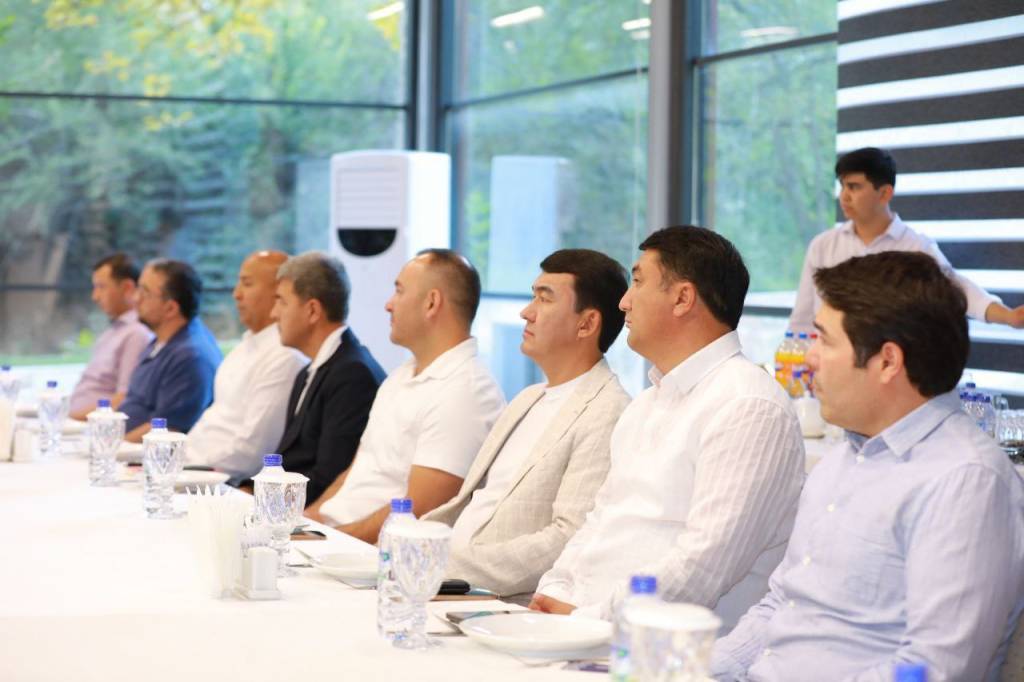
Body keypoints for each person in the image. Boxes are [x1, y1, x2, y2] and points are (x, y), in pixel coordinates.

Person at [712, 251, 1024, 681]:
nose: (808, 358)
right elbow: (780, 607)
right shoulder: (841, 460)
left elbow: (934, 669)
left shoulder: (966, 481)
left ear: (888, 361)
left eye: (824, 341)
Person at [529, 226, 805, 631]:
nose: (623, 302)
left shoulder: (749, 405)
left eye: (638, 282)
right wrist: (553, 591)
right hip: (582, 629)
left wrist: (587, 620)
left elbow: (704, 565)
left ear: (682, 298)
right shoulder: (645, 405)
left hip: (665, 650)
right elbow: (599, 521)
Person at [422, 248, 632, 599]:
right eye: (533, 296)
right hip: (442, 577)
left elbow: (568, 538)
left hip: (497, 600)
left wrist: (446, 567)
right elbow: (473, 502)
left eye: (544, 299)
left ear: (586, 324)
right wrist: (413, 544)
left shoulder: (608, 410)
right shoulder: (528, 397)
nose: (526, 312)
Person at [311, 250, 504, 542]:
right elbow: (356, 473)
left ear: (431, 303)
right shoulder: (401, 376)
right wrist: (304, 523)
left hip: (375, 554)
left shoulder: (468, 392)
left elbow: (419, 510)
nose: (388, 304)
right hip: (338, 540)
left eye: (399, 291)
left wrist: (328, 539)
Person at [789, 146, 1024, 332]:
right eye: (842, 186)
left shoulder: (915, 246)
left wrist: (1007, 316)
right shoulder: (823, 246)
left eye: (854, 187)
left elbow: (957, 289)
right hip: (826, 368)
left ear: (885, 193)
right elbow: (801, 321)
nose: (844, 197)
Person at [272, 251, 385, 505]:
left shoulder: (353, 374)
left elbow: (329, 476)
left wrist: (263, 501)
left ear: (312, 310)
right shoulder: (308, 372)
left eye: (282, 302)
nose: (274, 314)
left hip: (311, 516)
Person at [184, 251, 308, 482]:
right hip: (192, 468)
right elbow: (213, 421)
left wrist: (186, 469)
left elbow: (252, 452)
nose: (236, 294)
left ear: (279, 292)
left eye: (247, 284)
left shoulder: (285, 355)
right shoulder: (244, 347)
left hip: (218, 479)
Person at [120, 259, 222, 442]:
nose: (136, 298)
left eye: (145, 292)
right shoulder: (160, 342)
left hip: (142, 454)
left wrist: (114, 446)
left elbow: (166, 428)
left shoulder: (190, 357)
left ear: (170, 308)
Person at [69, 254, 153, 419]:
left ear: (127, 288)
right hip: (75, 420)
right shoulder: (113, 331)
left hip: (91, 425)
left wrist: (70, 418)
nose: (95, 296)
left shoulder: (136, 334)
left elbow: (123, 399)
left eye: (101, 287)